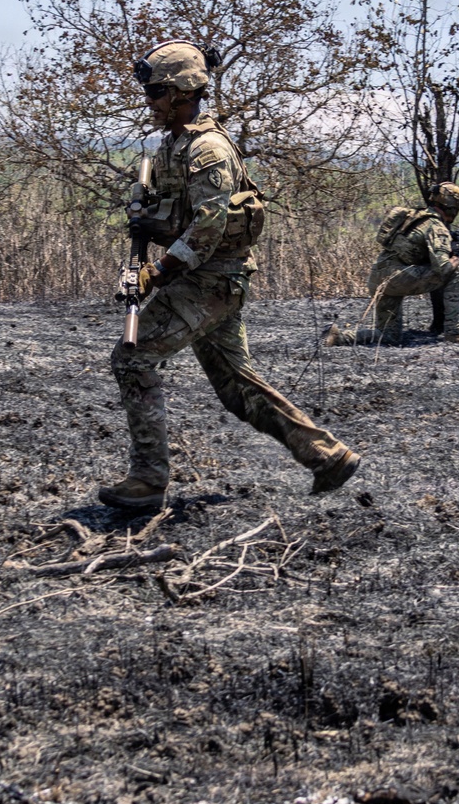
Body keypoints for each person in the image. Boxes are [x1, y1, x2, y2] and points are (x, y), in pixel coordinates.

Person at [99, 40, 362, 513]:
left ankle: (148, 480)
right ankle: (328, 456)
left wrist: (157, 273)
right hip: (206, 280)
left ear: (182, 92)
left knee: (131, 359)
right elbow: (179, 217)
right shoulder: (173, 145)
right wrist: (147, 222)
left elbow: (208, 228)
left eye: (157, 91)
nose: (149, 102)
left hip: (211, 282)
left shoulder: (208, 149)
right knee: (237, 388)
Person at [330, 182, 459, 347]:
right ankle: (454, 332)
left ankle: (339, 337)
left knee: (388, 336)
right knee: (456, 272)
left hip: (378, 277)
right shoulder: (436, 227)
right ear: (453, 208)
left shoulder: (414, 217)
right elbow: (443, 268)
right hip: (399, 278)